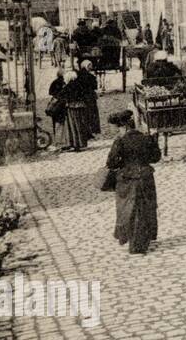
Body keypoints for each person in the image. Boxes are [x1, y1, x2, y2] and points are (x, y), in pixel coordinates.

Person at [104, 109, 162, 255]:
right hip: (146, 177)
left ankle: (131, 240)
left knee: (127, 209)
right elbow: (155, 158)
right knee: (147, 208)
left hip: (127, 179)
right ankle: (144, 239)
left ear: (123, 127)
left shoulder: (120, 141)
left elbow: (111, 163)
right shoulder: (146, 138)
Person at [60, 69, 91, 151]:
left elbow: (61, 96)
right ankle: (81, 143)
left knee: (73, 126)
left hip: (72, 108)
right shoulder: (80, 85)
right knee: (80, 125)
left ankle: (74, 144)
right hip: (81, 107)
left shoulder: (67, 87)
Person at [78, 60, 100, 138]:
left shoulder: (78, 75)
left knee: (84, 115)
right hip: (89, 97)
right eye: (90, 66)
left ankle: (86, 132)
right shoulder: (90, 76)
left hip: (82, 97)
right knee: (91, 114)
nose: (91, 67)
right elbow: (95, 86)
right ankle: (90, 131)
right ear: (87, 66)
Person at [47, 67, 68, 149]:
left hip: (55, 105)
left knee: (55, 123)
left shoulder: (54, 82)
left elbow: (50, 92)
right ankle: (61, 141)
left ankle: (57, 140)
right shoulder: (64, 83)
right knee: (61, 123)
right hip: (61, 105)